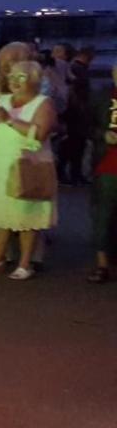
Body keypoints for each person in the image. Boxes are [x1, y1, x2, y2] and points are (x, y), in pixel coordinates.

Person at [0, 61, 57, 280]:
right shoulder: (2, 100)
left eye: (21, 77)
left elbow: (39, 134)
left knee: (27, 216)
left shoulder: (43, 103)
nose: (14, 81)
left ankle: (24, 263)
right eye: (12, 77)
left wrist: (9, 120)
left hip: (27, 168)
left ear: (34, 80)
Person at [87, 61, 117, 284]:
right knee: (103, 213)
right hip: (107, 162)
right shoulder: (101, 96)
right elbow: (85, 125)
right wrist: (102, 135)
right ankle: (102, 263)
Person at [60, 46, 96, 186]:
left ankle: (72, 173)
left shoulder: (73, 68)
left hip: (74, 113)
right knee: (75, 145)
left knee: (73, 145)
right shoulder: (78, 70)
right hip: (76, 114)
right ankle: (73, 173)